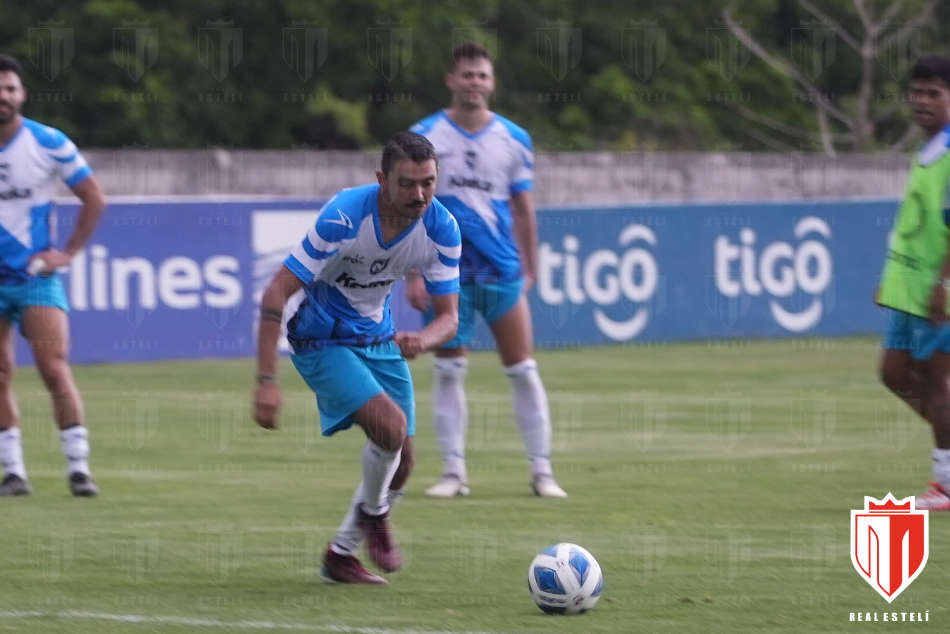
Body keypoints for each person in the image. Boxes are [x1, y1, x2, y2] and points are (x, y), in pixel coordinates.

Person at [254, 131, 460, 583]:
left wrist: (423, 340)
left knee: (403, 461)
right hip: (320, 338)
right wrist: (267, 381)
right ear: (381, 179)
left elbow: (449, 318)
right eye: (407, 183)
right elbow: (277, 290)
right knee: (390, 427)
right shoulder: (344, 217)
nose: (419, 194)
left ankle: (341, 554)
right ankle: (376, 514)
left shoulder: (441, 227)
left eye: (428, 182)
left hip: (378, 339)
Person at [407, 42, 567, 498]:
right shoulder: (424, 136)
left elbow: (523, 207)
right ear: (451, 81)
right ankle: (454, 473)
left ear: (492, 83)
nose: (474, 82)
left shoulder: (514, 139)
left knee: (522, 369)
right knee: (449, 371)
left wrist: (530, 266)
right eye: (467, 75)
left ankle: (542, 471)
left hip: (500, 269)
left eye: (482, 75)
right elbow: (409, 209)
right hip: (445, 274)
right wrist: (413, 273)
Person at [0, 55, 106, 497]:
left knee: (53, 367)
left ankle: (78, 469)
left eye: (9, 88)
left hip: (36, 277)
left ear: (22, 94)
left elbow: (93, 197)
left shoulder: (48, 141)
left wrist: (68, 253)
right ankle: (13, 472)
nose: (3, 97)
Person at [877, 54, 950, 511]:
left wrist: (944, 282)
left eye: (934, 93)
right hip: (909, 289)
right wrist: (891, 280)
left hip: (938, 291)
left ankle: (944, 481)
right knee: (895, 373)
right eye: (917, 92)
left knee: (940, 382)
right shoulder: (928, 151)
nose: (922, 101)